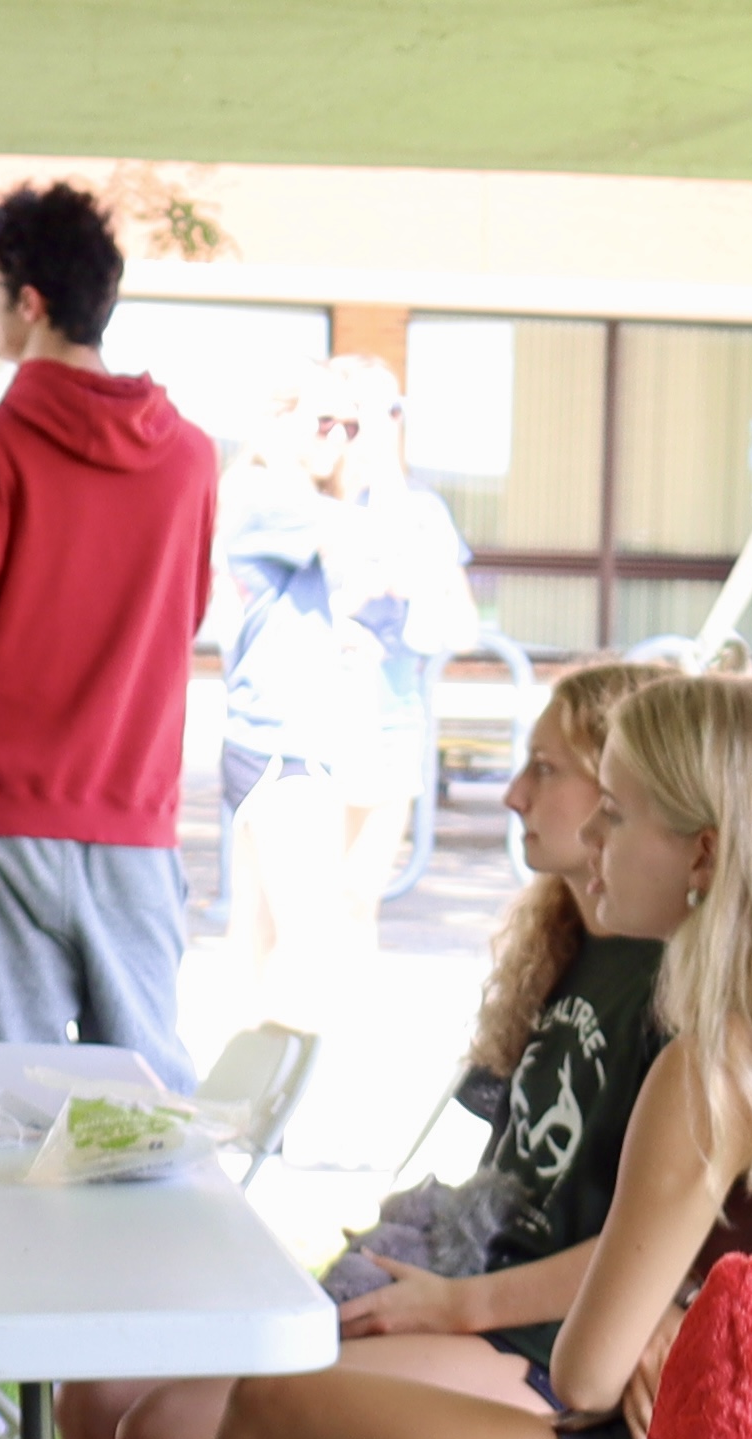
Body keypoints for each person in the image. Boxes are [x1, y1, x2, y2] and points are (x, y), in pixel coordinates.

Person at [142, 672, 752, 1439]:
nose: (590, 843)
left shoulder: (713, 1067)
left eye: (614, 815)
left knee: (271, 1407)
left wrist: (659, 1331)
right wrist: (676, 1316)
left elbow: (587, 1374)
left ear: (702, 854)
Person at [59, 656, 666, 1439]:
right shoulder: (568, 942)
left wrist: (459, 1305)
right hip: (471, 1299)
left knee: (174, 1434)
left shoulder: (682, 989)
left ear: (630, 789)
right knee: (100, 1399)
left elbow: (664, 1249)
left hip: (539, 1353)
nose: (512, 794)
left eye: (546, 769)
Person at [0, 181, 221, 1084]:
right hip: (133, 812)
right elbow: (182, 616)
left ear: (28, 303)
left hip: (4, 810)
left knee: (18, 1092)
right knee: (148, 1093)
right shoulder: (189, 457)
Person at [210, 359, 476, 1026]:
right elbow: (369, 538)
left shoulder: (283, 496)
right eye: (324, 422)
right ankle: (270, 1106)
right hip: (282, 743)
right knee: (308, 936)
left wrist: (338, 632)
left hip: (287, 738)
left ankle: (249, 1110)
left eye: (353, 424)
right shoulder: (264, 491)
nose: (343, 436)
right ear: (279, 422)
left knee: (269, 933)